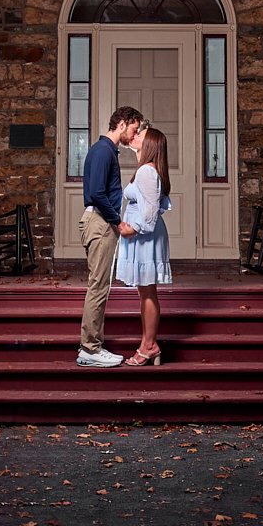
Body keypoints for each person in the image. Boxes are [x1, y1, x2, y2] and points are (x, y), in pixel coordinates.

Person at [77, 105, 143, 367]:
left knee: (99, 285)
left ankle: (91, 346)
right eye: (134, 129)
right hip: (101, 223)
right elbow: (96, 193)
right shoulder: (104, 151)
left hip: (99, 221)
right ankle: (90, 349)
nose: (134, 135)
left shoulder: (104, 150)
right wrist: (118, 222)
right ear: (123, 123)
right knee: (99, 286)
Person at [114, 125, 173, 367]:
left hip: (145, 237)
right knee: (144, 291)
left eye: (141, 135)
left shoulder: (147, 172)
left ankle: (149, 346)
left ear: (149, 145)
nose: (135, 136)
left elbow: (149, 212)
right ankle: (148, 343)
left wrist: (131, 228)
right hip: (146, 236)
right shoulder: (147, 168)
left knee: (148, 292)